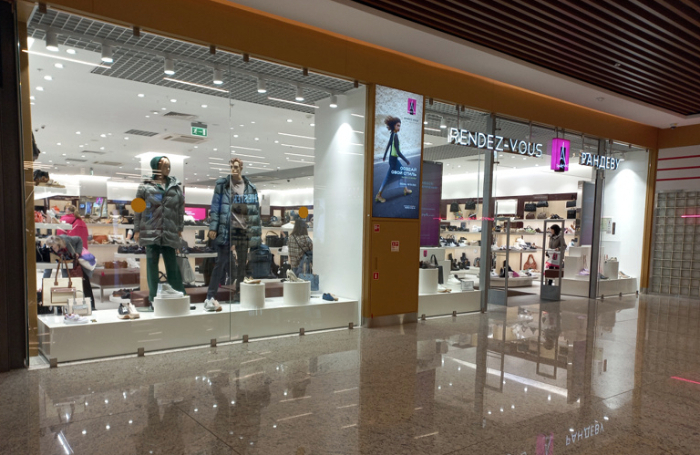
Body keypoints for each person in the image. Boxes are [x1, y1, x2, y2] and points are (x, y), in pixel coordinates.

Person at [206, 158, 262, 307]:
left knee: (242, 264)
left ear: (241, 168)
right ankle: (210, 296)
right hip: (227, 229)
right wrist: (213, 227)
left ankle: (239, 293)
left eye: (236, 167)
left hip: (243, 230)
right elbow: (215, 207)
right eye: (231, 166)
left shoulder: (250, 187)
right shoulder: (222, 185)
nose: (233, 169)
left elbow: (255, 212)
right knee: (221, 262)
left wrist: (256, 233)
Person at [134, 156, 187, 306]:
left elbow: (180, 210)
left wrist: (179, 228)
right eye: (164, 166)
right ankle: (154, 297)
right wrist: (137, 230)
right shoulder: (145, 186)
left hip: (170, 231)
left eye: (169, 166)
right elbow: (138, 210)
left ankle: (178, 294)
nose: (167, 169)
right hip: (151, 230)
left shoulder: (175, 187)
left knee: (172, 264)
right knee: (152, 265)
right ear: (156, 167)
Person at [45, 234, 96, 310]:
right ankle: (72, 307)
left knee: (84, 284)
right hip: (66, 267)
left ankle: (91, 307)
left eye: (54, 247)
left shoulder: (66, 240)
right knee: (69, 286)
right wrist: (44, 283)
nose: (53, 249)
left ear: (58, 244)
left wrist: (78, 252)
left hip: (77, 265)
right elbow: (48, 268)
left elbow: (79, 239)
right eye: (51, 247)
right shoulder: (50, 250)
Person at [375, 116, 411, 203]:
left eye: (399, 126)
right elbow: (398, 152)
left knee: (402, 171)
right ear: (394, 126)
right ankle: (378, 195)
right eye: (398, 125)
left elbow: (388, 145)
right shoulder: (395, 136)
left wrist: (384, 156)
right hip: (393, 160)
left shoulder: (393, 135)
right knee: (388, 178)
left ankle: (405, 189)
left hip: (393, 159)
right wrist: (406, 160)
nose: (399, 128)